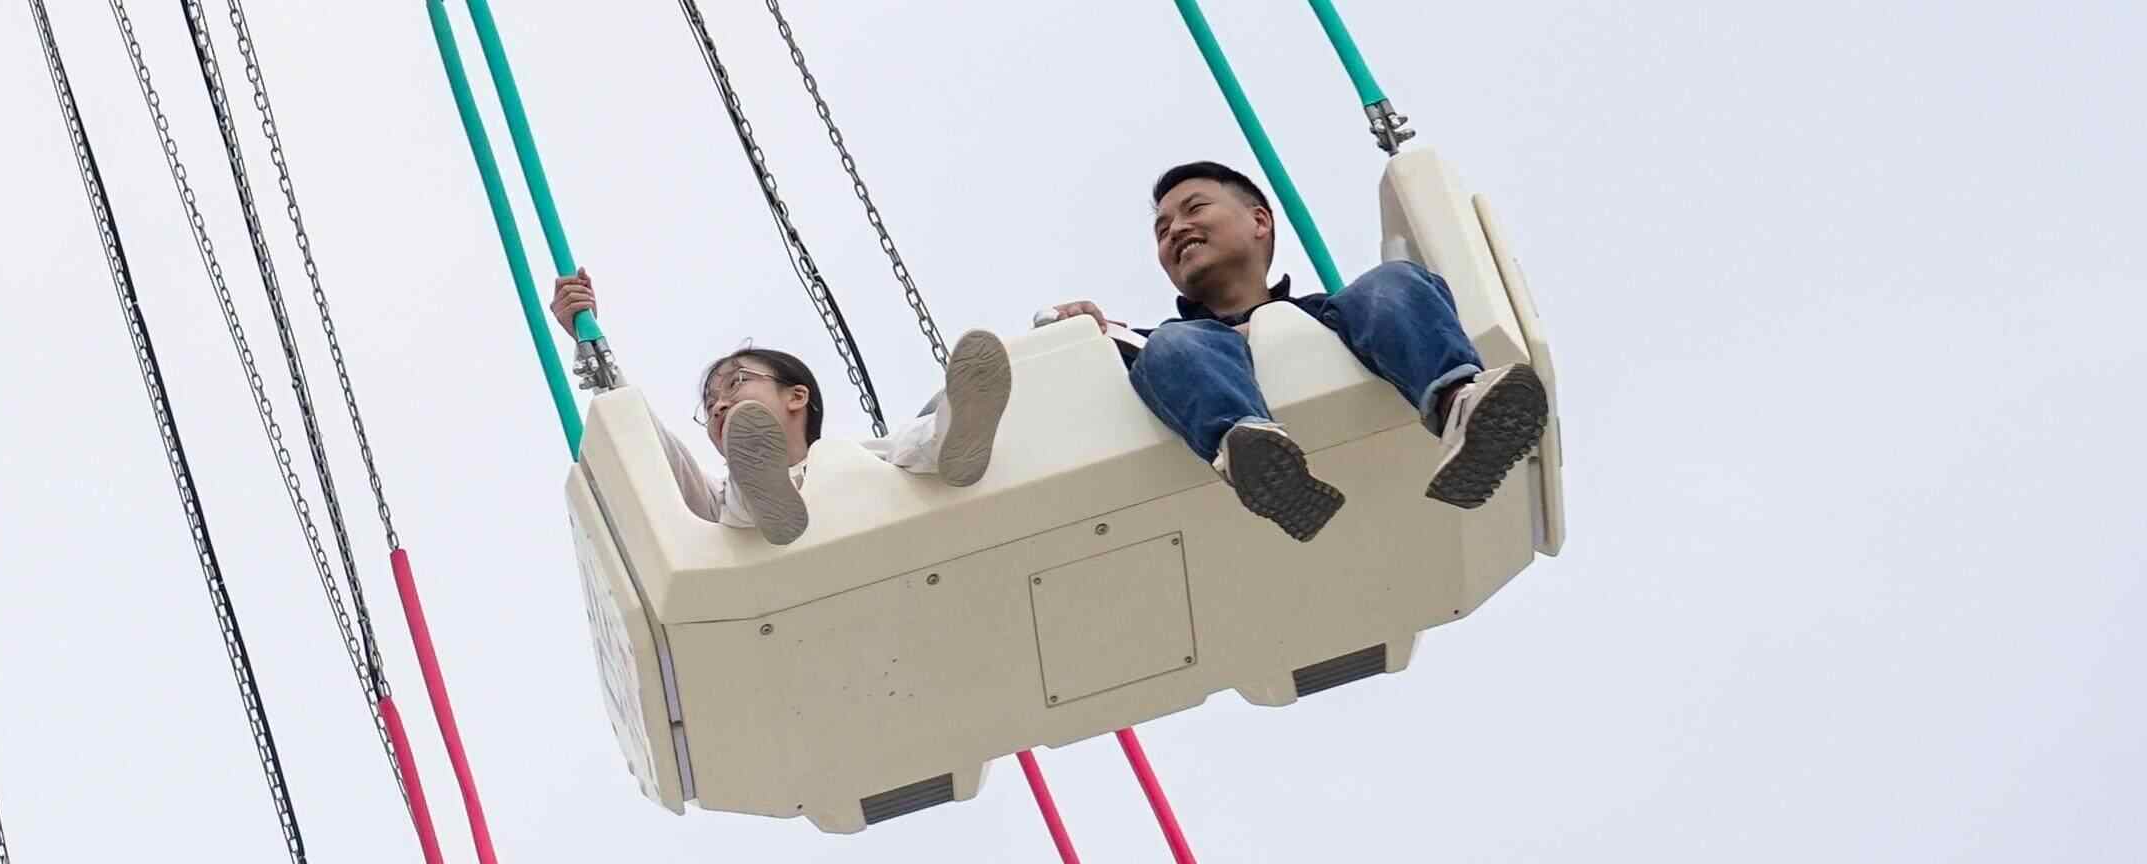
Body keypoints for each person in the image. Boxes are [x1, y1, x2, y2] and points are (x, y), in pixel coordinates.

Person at [1037, 159, 1550, 544]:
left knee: (1392, 283)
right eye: (1162, 228)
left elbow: (1390, 303)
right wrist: (1080, 334)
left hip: (1350, 334)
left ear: (1259, 222)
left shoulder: (1339, 314)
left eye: (1194, 209)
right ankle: (1253, 454)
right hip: (1192, 370)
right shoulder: (1160, 344)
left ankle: (1461, 405)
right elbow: (1093, 373)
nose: (1175, 229)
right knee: (1174, 343)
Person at [550, 272, 1011, 548]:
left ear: (796, 396)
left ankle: (955, 439)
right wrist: (596, 352)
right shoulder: (712, 498)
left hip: (872, 498)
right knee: (735, 506)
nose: (719, 404)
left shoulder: (861, 459)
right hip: (755, 546)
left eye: (736, 383)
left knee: (902, 447)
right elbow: (654, 446)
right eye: (709, 404)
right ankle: (764, 494)